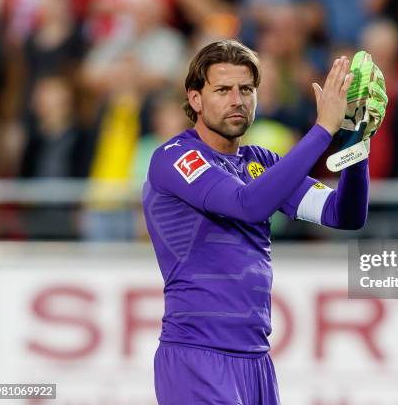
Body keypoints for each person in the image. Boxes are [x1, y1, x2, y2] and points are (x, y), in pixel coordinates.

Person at [143, 40, 379, 404]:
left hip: (256, 361)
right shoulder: (175, 157)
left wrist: (353, 143)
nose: (237, 100)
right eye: (222, 90)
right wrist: (323, 130)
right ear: (195, 100)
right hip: (196, 357)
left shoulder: (261, 162)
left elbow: (343, 214)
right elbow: (247, 204)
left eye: (246, 89)